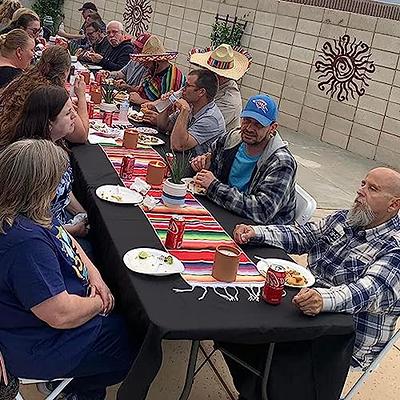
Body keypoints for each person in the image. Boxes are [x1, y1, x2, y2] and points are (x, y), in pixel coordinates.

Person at [0, 139, 138, 400]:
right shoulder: (26, 243)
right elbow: (60, 315)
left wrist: (96, 276)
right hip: (39, 343)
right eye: (56, 182)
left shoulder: (25, 211)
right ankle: (78, 391)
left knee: (127, 315)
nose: (59, 188)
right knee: (133, 347)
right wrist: (100, 303)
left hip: (44, 323)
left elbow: (63, 234)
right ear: (40, 188)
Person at [234, 167, 400, 371]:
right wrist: (256, 232)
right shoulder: (347, 218)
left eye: (372, 188)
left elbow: (366, 292)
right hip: (308, 310)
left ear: (394, 204)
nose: (361, 191)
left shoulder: (395, 249)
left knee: (257, 339)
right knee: (242, 308)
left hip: (345, 339)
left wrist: (322, 299)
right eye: (363, 184)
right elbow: (304, 235)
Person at [190, 94, 297, 224]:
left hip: (259, 231)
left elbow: (261, 212)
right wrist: (204, 163)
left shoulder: (281, 163)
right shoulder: (232, 138)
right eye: (246, 120)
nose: (249, 128)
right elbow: (211, 159)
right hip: (227, 212)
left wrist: (214, 186)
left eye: (258, 125)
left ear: (272, 128)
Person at [12, 85, 89, 241]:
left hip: (59, 224)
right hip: (48, 236)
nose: (75, 116)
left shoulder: (57, 145)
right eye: (68, 113)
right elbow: (29, 224)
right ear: (49, 124)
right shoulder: (34, 163)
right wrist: (71, 230)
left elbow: (63, 191)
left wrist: (83, 214)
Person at [0, 45, 89, 147]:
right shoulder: (51, 93)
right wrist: (81, 96)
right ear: (65, 72)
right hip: (25, 150)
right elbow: (81, 136)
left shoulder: (23, 79)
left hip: (8, 142)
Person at [145, 69, 225, 155]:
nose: (182, 89)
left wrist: (184, 111)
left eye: (187, 85)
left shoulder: (211, 119)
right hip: (181, 158)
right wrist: (167, 103)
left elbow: (177, 146)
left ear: (201, 92)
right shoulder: (192, 105)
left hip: (192, 164)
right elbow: (163, 126)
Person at [189, 44, 252, 132]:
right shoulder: (207, 84)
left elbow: (204, 126)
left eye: (211, 71)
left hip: (215, 143)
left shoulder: (229, 101)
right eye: (207, 69)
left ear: (223, 76)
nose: (206, 72)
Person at [128, 34, 185, 104]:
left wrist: (141, 101)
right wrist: (128, 88)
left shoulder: (172, 79)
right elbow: (145, 89)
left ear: (156, 61)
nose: (142, 64)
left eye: (145, 61)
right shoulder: (154, 70)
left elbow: (166, 107)